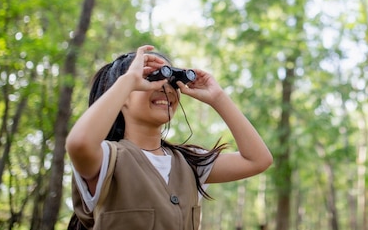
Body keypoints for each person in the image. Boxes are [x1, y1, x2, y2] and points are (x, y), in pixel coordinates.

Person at [66, 44, 273, 230]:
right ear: (122, 96)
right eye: (151, 79)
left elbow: (257, 159)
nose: (164, 87)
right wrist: (128, 80)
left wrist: (218, 97)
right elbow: (79, 143)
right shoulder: (107, 159)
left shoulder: (190, 164)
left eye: (172, 81)